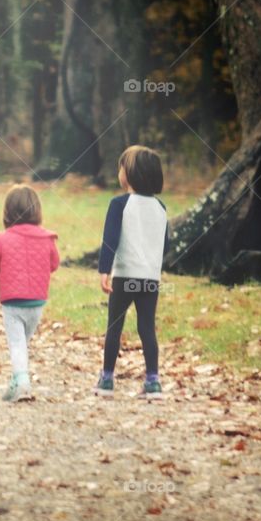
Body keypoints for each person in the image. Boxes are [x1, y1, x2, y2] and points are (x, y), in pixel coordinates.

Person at [95, 146, 169, 400]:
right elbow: (165, 244)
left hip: (124, 276)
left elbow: (110, 240)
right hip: (150, 278)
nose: (119, 172)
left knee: (114, 325)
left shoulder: (119, 204)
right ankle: (153, 380)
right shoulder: (161, 208)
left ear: (129, 174)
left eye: (121, 167)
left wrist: (104, 270)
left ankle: (106, 379)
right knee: (147, 327)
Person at [0, 185, 59, 402]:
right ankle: (15, 382)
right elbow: (54, 264)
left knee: (17, 344)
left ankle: (23, 383)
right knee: (22, 344)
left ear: (7, 213)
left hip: (13, 302)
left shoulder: (2, 239)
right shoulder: (47, 239)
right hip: (37, 302)